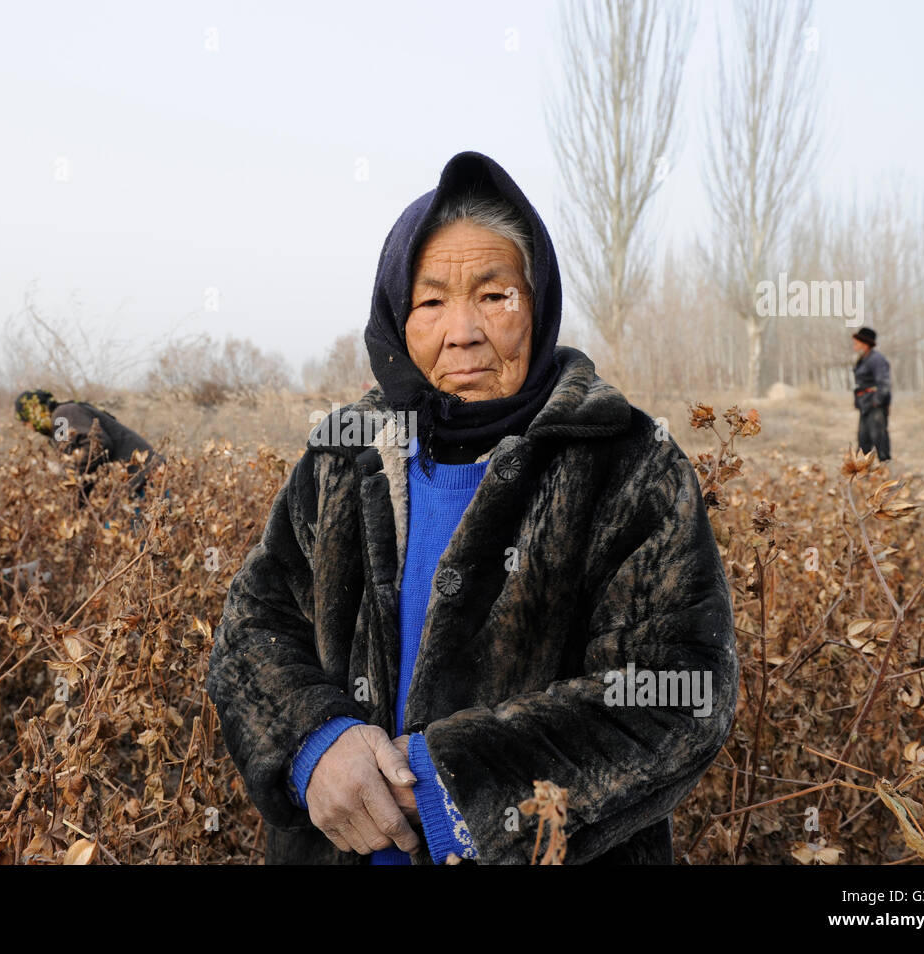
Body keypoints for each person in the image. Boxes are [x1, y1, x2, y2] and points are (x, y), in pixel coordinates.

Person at [205, 151, 739, 865]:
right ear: (398, 316)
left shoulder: (627, 463)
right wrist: (313, 744)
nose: (463, 331)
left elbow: (678, 690)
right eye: (431, 303)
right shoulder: (343, 456)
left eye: (495, 296)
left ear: (538, 304)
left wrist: (449, 784)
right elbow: (253, 628)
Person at [15, 390, 164, 503]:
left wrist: (75, 489)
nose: (28, 427)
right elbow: (77, 456)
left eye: (25, 421)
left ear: (34, 412)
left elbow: (94, 445)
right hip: (139, 479)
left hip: (143, 479)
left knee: (139, 539)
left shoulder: (62, 415)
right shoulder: (63, 419)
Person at [852, 327, 891, 462]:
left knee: (879, 438)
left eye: (856, 343)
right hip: (865, 405)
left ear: (865, 344)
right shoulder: (863, 359)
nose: (854, 346)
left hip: (875, 406)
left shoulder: (877, 359)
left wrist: (876, 402)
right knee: (863, 440)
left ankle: (885, 469)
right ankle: (863, 472)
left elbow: (884, 384)